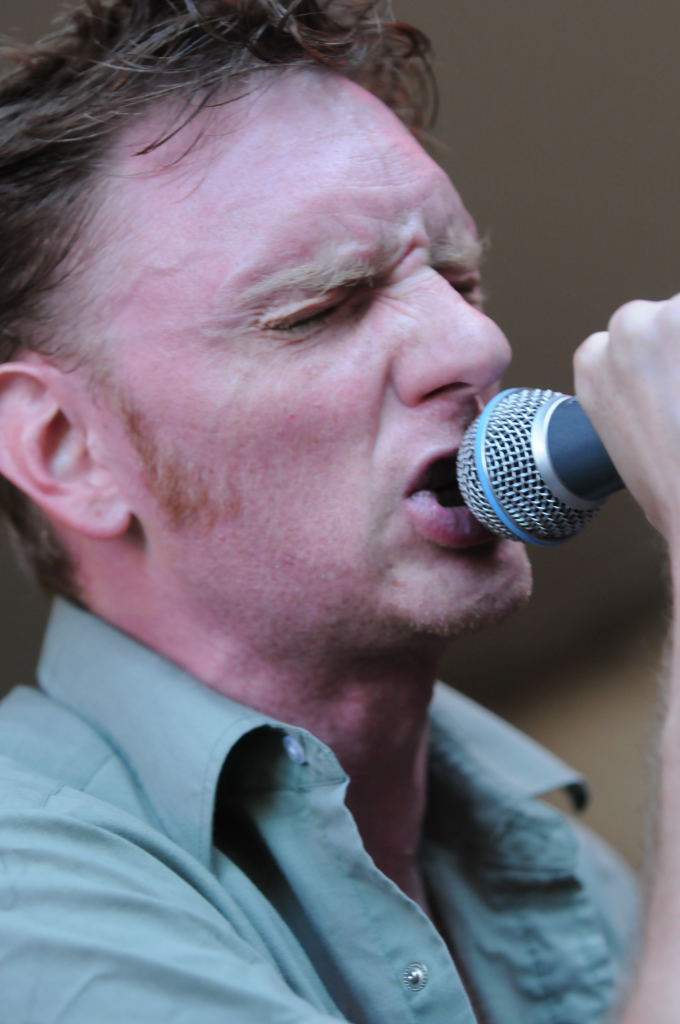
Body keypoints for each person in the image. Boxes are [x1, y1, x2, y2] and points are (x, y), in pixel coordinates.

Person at [0, 1, 672, 1020]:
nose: (476, 345)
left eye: (458, 279)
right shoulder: (27, 896)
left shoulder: (564, 867)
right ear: (65, 447)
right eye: (322, 306)